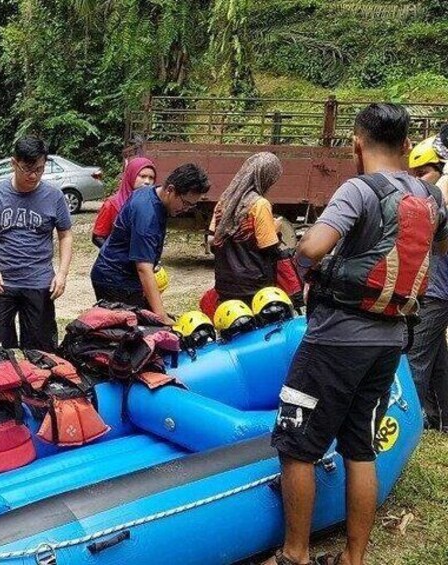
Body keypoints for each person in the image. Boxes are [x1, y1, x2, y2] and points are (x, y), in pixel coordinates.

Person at [265, 104, 448, 565]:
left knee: (296, 445)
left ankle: (295, 554)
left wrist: (305, 257)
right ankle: (353, 558)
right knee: (360, 445)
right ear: (407, 146)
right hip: (391, 339)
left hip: (336, 338)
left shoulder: (358, 189)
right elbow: (439, 247)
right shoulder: (431, 199)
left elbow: (313, 246)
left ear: (356, 144)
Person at [0, 136, 72, 352]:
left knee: (40, 350)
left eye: (40, 169)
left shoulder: (54, 196)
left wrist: (62, 273)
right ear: (13, 163)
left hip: (39, 283)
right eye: (27, 169)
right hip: (1, 284)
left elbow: (65, 235)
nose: (34, 175)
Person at [90, 164, 211, 322]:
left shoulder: (152, 193)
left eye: (192, 205)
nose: (186, 209)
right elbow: (143, 268)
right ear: (170, 190)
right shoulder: (147, 215)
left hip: (124, 276)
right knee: (131, 331)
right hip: (115, 280)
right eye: (186, 203)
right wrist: (162, 317)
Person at [407, 136, 448, 431]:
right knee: (436, 358)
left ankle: (408, 424)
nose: (419, 181)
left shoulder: (442, 193)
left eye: (423, 173)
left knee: (415, 358)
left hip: (437, 289)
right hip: (436, 287)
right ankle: (441, 417)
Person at [209, 152, 283, 304]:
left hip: (224, 284)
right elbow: (269, 249)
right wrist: (275, 230)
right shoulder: (259, 205)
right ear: (265, 178)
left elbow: (213, 241)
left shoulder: (222, 203)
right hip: (253, 288)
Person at [91, 157, 157, 247]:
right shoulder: (112, 204)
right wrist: (115, 253)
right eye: (142, 176)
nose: (147, 182)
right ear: (131, 175)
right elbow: (98, 237)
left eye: (151, 178)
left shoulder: (152, 205)